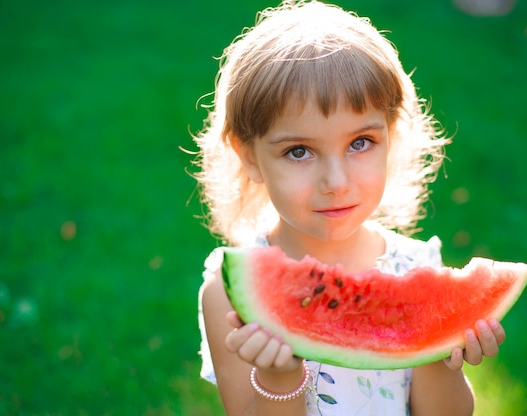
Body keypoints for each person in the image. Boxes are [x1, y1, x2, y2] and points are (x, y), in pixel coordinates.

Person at [192, 1, 506, 414]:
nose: (336, 183)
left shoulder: (416, 265)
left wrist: (439, 351)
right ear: (249, 156)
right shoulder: (228, 294)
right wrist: (280, 376)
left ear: (390, 136)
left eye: (360, 143)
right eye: (299, 150)